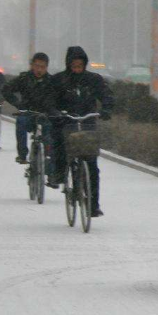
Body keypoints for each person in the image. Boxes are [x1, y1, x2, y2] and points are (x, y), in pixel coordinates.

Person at [50, 46, 114, 217]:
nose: (77, 68)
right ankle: (58, 173)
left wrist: (106, 109)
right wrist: (55, 112)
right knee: (60, 144)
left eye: (80, 64)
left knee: (92, 165)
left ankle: (93, 204)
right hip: (67, 122)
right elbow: (49, 99)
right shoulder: (59, 80)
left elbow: (106, 95)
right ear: (68, 64)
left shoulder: (94, 80)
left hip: (88, 123)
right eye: (74, 64)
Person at [2, 52, 58, 165]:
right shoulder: (24, 79)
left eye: (42, 67)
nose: (39, 70)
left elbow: (61, 98)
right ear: (32, 65)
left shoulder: (52, 82)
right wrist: (17, 104)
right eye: (37, 66)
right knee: (21, 122)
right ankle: (22, 155)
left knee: (50, 137)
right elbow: (6, 89)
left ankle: (50, 168)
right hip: (28, 114)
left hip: (46, 116)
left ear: (46, 67)